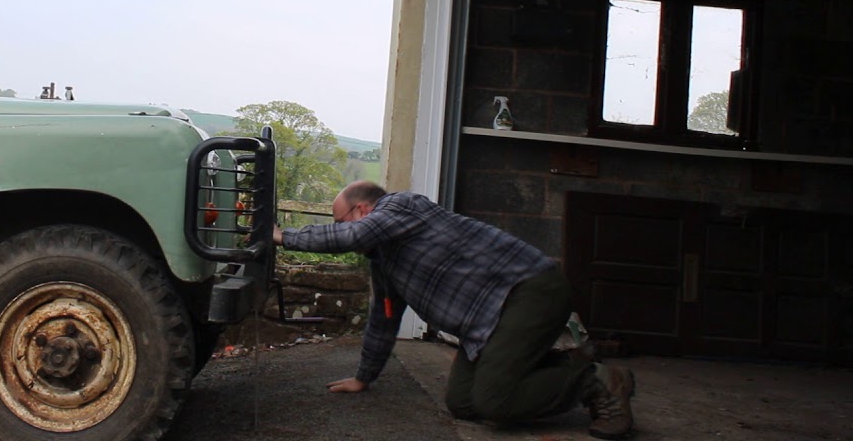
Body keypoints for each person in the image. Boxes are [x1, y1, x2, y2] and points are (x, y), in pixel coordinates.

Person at [273, 181, 637, 440]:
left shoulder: (402, 207)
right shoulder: (383, 261)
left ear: (364, 210)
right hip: (488, 320)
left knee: (495, 402)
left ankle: (597, 381)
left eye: (339, 220)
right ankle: (568, 364)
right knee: (463, 402)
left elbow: (349, 237)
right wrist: (363, 378)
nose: (340, 229)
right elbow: (383, 320)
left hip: (528, 291)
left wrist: (281, 236)